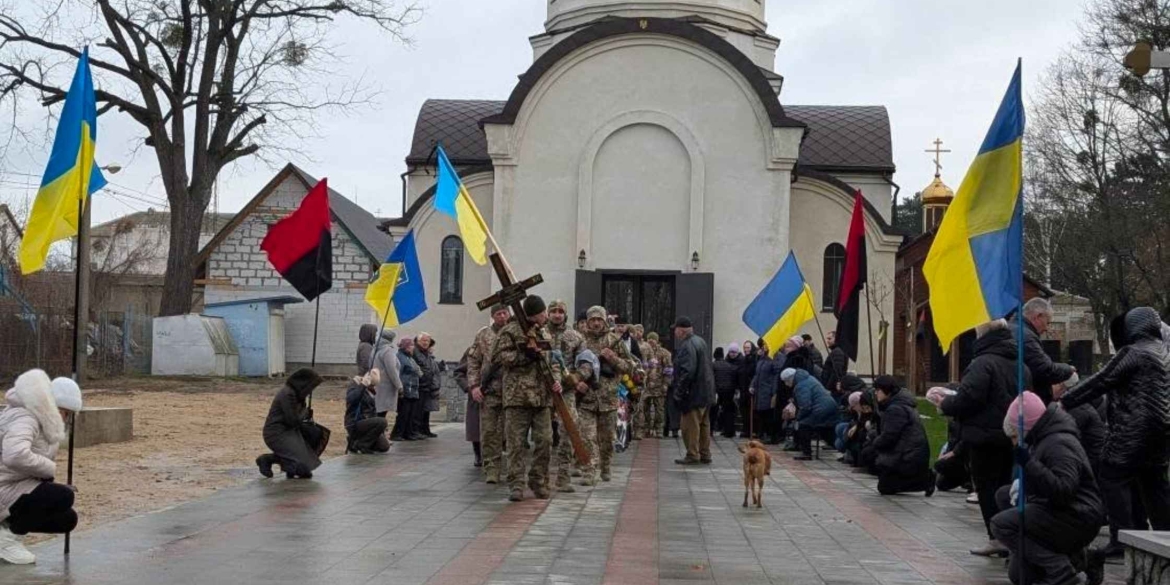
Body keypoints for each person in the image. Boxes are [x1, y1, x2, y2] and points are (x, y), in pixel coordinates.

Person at [1057, 307, 1170, 561]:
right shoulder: (1164, 352)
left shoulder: (1134, 352)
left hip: (1133, 429)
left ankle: (1121, 540)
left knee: (1112, 475)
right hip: (1162, 431)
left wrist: (1065, 401)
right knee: (1153, 483)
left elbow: (1101, 380)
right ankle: (1162, 535)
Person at [928, 318, 1023, 557]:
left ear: (982, 335)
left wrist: (945, 403)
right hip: (1010, 436)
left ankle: (997, 537)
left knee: (987, 488)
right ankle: (1009, 535)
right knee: (1004, 487)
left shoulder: (983, 363)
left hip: (984, 438)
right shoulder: (1020, 364)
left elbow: (969, 397)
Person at [991, 392, 1105, 585]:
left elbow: (1063, 490)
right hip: (1059, 511)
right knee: (1020, 576)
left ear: (1025, 428)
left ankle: (1061, 572)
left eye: (1014, 436)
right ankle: (1082, 558)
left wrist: (1029, 464)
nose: (1013, 442)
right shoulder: (1042, 438)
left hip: (1077, 516)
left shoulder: (1059, 443)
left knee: (1001, 524)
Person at [0, 371, 82, 564]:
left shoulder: (45, 421)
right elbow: (15, 455)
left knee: (68, 519)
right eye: (64, 412)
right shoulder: (25, 417)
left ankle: (7, 531)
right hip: (4, 486)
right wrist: (48, 469)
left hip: (14, 484)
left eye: (68, 414)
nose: (64, 418)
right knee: (63, 496)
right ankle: (6, 541)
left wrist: (47, 482)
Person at [489, 295, 563, 502]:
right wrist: (524, 356)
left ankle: (538, 480)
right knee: (516, 444)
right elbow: (497, 357)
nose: (546, 316)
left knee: (545, 441)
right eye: (542, 313)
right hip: (517, 397)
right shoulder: (510, 331)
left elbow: (553, 361)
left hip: (542, 398)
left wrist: (556, 380)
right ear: (534, 314)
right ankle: (516, 484)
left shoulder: (544, 332)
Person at [579, 305, 637, 484]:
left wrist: (613, 358)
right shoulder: (580, 340)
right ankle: (590, 470)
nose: (596, 323)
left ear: (604, 321)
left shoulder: (615, 340)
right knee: (587, 437)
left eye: (599, 320)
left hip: (608, 398)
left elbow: (630, 367)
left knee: (607, 439)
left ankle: (605, 466)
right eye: (593, 320)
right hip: (586, 398)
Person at [871, 376, 935, 496]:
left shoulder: (896, 409)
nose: (876, 393)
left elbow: (889, 437)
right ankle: (921, 478)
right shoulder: (900, 405)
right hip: (909, 453)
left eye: (878, 390)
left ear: (887, 391)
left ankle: (924, 480)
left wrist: (874, 443)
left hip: (907, 455)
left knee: (885, 487)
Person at [257, 368, 325, 479]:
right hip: (276, 433)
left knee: (315, 433)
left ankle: (276, 460)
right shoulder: (288, 395)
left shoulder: (298, 395)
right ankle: (268, 460)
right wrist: (304, 412)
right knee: (303, 470)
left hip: (289, 431)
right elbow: (292, 420)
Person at [468, 304, 510, 484]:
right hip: (490, 390)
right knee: (489, 432)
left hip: (513, 391)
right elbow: (473, 360)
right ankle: (491, 468)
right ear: (493, 316)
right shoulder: (484, 335)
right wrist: (474, 385)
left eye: (505, 313)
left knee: (513, 433)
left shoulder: (516, 332)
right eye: (498, 314)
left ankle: (513, 470)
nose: (502, 316)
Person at [548, 299, 585, 492]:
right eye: (553, 311)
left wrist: (576, 377)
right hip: (542, 390)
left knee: (569, 429)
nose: (557, 314)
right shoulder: (539, 334)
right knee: (543, 435)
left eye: (560, 311)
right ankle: (540, 477)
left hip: (566, 391)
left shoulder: (575, 336)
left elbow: (586, 363)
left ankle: (563, 476)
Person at [1012, 298, 1076, 405]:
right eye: (1047, 322)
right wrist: (1068, 369)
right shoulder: (1026, 337)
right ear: (1038, 316)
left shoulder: (1012, 329)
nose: (1047, 328)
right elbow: (1045, 370)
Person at [673, 316, 715, 465]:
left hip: (693, 394)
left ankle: (692, 454)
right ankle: (705, 453)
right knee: (704, 425)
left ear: (681, 330)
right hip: (706, 392)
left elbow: (687, 371)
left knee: (689, 427)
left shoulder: (687, 345)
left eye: (675, 330)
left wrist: (679, 392)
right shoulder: (701, 341)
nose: (674, 333)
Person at [783, 368, 838, 460]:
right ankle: (837, 445)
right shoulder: (808, 378)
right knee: (823, 428)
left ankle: (806, 453)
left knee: (803, 425)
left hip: (821, 408)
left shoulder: (800, 386)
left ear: (789, 379)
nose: (786, 384)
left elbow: (805, 406)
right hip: (830, 406)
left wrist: (798, 418)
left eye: (785, 381)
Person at [345, 369, 390, 454]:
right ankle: (362, 445)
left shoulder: (371, 392)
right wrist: (362, 386)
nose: (374, 387)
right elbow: (351, 399)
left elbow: (373, 411)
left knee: (384, 447)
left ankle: (355, 443)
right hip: (355, 422)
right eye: (372, 385)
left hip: (368, 422)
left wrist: (382, 430)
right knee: (382, 421)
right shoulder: (356, 386)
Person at [454, 346, 481, 467]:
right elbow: (459, 372)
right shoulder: (473, 350)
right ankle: (478, 454)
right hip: (477, 394)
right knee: (476, 426)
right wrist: (468, 388)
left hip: (499, 394)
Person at [750, 341, 782, 443]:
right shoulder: (762, 359)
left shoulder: (775, 358)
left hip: (768, 391)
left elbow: (776, 376)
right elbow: (756, 374)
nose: (764, 347)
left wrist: (773, 391)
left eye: (766, 345)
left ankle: (770, 435)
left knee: (768, 414)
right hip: (760, 391)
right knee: (761, 413)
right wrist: (752, 385)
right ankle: (762, 433)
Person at [391, 337, 423, 441]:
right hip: (405, 390)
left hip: (413, 390)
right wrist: (400, 389)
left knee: (410, 413)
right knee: (403, 414)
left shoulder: (410, 358)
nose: (413, 347)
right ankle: (397, 434)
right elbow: (398, 374)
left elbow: (417, 370)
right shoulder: (400, 357)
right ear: (406, 347)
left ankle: (408, 433)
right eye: (411, 346)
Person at [641, 332, 672, 439]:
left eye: (653, 339)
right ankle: (646, 429)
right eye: (649, 339)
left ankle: (659, 430)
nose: (651, 341)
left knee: (659, 410)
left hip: (659, 386)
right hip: (646, 386)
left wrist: (666, 384)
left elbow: (668, 370)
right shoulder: (643, 351)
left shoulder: (664, 353)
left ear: (657, 340)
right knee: (645, 409)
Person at [413, 333, 442, 439]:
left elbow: (430, 368)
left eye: (427, 341)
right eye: (423, 340)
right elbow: (419, 368)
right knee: (418, 412)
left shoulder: (426, 354)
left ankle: (425, 430)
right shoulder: (416, 352)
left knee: (425, 410)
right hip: (420, 385)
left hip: (428, 386)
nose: (426, 343)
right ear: (417, 341)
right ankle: (418, 431)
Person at [372, 329, 402, 419]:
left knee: (378, 411)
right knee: (382, 412)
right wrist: (399, 386)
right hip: (386, 385)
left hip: (376, 382)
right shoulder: (388, 351)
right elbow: (392, 369)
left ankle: (379, 431)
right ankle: (380, 431)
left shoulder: (375, 349)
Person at [713, 344, 741, 438]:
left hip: (717, 391)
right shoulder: (730, 366)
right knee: (728, 411)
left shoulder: (713, 365)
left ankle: (711, 430)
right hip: (729, 391)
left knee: (713, 410)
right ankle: (729, 431)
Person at [737, 340, 760, 438]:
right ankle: (746, 430)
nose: (746, 350)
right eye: (745, 348)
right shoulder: (743, 360)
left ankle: (753, 430)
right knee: (744, 411)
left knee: (752, 412)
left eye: (748, 348)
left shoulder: (755, 359)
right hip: (743, 389)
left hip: (751, 389)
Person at [821, 330, 849, 400]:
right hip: (834, 388)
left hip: (834, 389)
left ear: (836, 339)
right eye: (827, 339)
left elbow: (836, 372)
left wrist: (828, 387)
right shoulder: (837, 350)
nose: (827, 341)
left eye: (829, 339)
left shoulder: (837, 352)